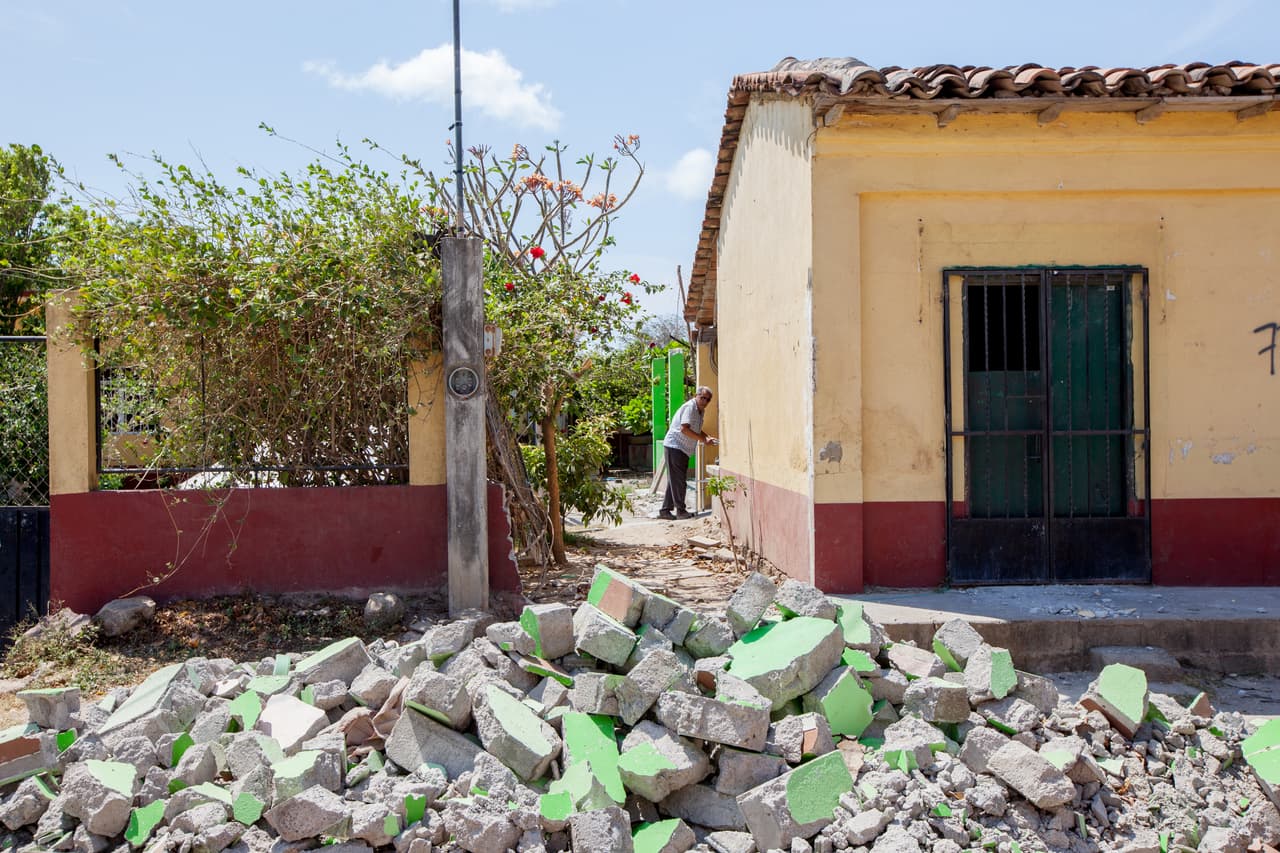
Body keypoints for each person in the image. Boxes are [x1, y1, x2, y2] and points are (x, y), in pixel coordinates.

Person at [658, 386, 718, 520]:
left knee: (674, 481)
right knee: (679, 481)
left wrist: (706, 437)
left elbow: (695, 429)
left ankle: (665, 511)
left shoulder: (700, 411)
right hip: (675, 446)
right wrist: (703, 439)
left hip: (683, 449)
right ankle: (681, 511)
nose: (705, 401)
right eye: (702, 398)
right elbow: (684, 429)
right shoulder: (690, 408)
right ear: (695, 396)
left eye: (708, 400)